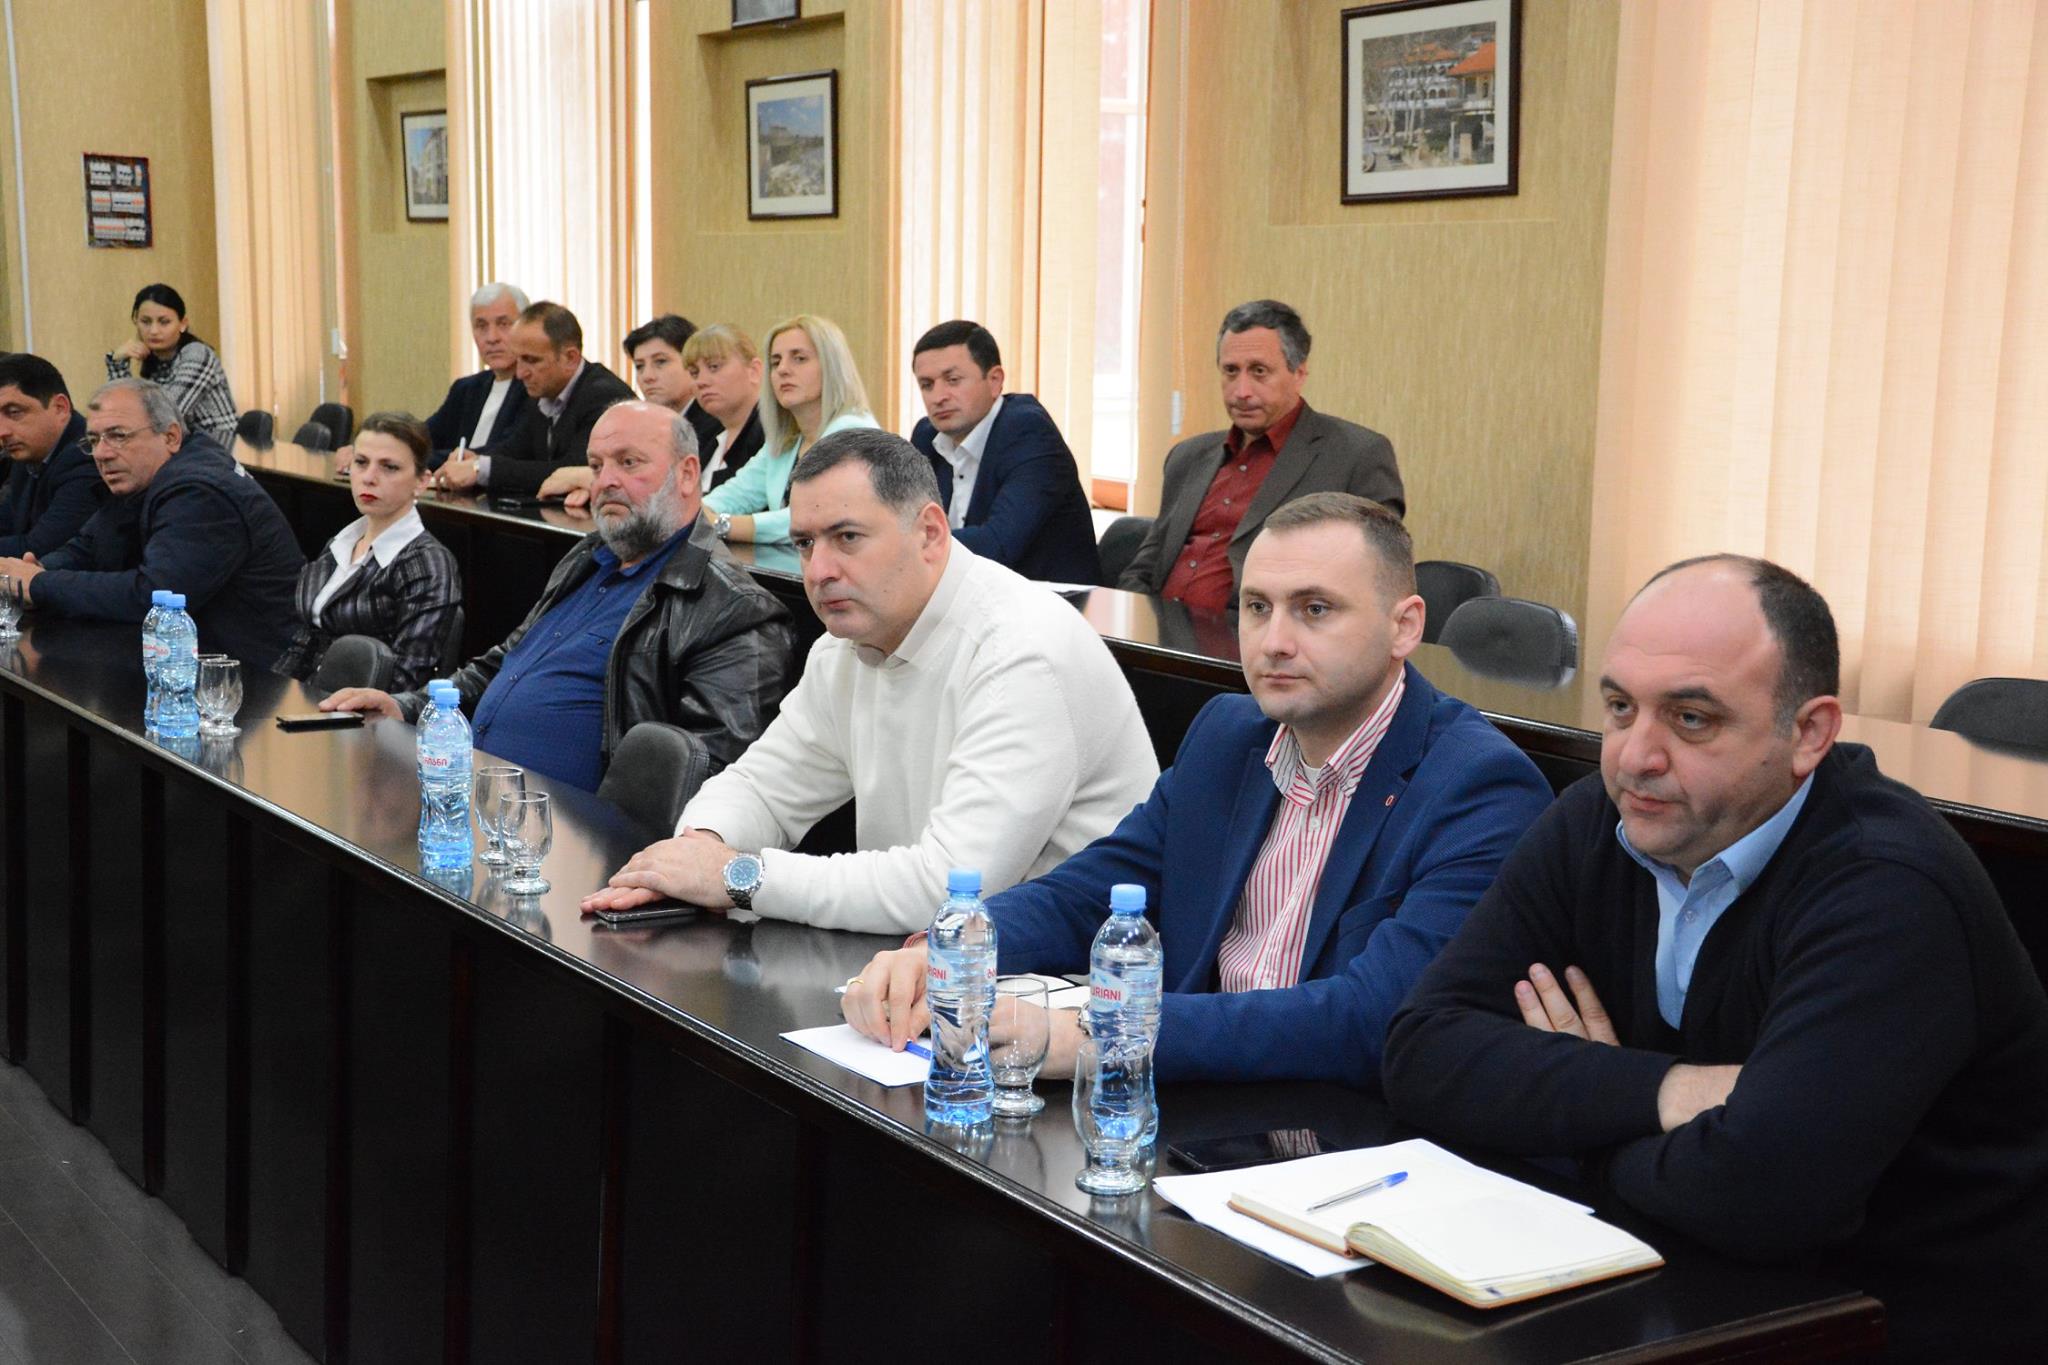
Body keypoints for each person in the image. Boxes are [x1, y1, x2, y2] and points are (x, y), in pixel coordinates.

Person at [1381, 556, 2048, 1362]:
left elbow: (1762, 1194)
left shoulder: (1890, 887)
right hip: (1666, 1284)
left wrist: (1570, 1116)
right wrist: (1666, 1089)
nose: (1635, 756)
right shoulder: (1601, 817)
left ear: (1809, 733)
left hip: (1883, 1323)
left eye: (1691, 719)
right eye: (1620, 707)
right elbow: (1420, 1052)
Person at [840, 493, 1551, 1084]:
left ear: (1405, 627)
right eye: (1257, 607)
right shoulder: (1228, 736)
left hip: (1344, 1137)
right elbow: (1090, 892)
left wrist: (1100, 1031)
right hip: (1197, 1105)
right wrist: (952, 947)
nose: (1274, 641)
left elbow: (1371, 1017)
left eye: (1315, 609)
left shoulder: (1479, 789)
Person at [582, 428, 1159, 933]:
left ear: (930, 533)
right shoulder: (845, 646)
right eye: (805, 543)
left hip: (1067, 984)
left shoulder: (1023, 652)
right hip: (918, 959)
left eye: (847, 538)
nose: (818, 570)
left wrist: (736, 876)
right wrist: (698, 850)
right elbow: (762, 788)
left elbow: (950, 887)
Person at [323, 402, 796, 794]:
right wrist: (407, 706)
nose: (605, 481)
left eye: (628, 463)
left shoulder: (732, 607)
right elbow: (500, 665)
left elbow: (712, 780)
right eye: (596, 466)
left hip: (578, 844)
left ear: (688, 474)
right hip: (469, 793)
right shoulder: (588, 557)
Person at [1119, 300, 1403, 613]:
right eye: (1231, 371)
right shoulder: (1187, 456)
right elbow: (1144, 568)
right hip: (1155, 633)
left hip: (1259, 636)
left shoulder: (1356, 455)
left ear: (1299, 373)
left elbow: (1370, 580)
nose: (1241, 391)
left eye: (1259, 371)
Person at [0, 379, 304, 668]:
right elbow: (88, 545)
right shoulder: (144, 475)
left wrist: (40, 584)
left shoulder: (200, 492)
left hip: (256, 671)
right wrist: (37, 571)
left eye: (118, 436)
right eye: (93, 440)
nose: (102, 453)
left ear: (170, 437)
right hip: (189, 655)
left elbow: (155, 595)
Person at [274, 412, 462, 692]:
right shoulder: (340, 543)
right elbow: (302, 645)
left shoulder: (427, 562)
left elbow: (407, 681)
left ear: (422, 481)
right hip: (309, 700)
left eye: (390, 467)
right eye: (361, 463)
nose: (369, 478)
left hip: (365, 714)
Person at [907, 320, 1099, 583]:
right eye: (927, 385)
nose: (938, 397)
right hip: (967, 594)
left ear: (995, 381)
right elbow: (906, 521)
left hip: (1048, 599)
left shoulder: (1028, 432)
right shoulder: (927, 436)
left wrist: (901, 545)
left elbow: (997, 545)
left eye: (953, 380)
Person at [702, 314, 877, 546]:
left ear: (831, 367)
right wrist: (699, 514)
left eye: (799, 359)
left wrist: (722, 525)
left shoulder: (854, 432)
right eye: (776, 362)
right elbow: (737, 494)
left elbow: (816, 517)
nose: (783, 370)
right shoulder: (788, 441)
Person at [432, 301, 635, 500]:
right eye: (518, 359)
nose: (520, 373)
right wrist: (475, 459)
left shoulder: (604, 396)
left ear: (570, 358)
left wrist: (482, 469)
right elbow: (515, 450)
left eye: (531, 360)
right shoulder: (543, 392)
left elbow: (571, 471)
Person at [104, 283, 238, 448]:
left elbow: (167, 414)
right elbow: (122, 409)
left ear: (183, 324)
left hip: (216, 450)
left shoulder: (197, 354)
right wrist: (118, 362)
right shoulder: (155, 359)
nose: (153, 330)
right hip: (179, 447)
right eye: (145, 322)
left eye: (164, 322)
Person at [0, 353, 106, 558]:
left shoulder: (87, 457)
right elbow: (7, 522)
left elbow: (37, 549)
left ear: (60, 408)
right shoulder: (28, 450)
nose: (2, 431)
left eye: (14, 412)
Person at [420, 282, 531, 469]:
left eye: (503, 324)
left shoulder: (535, 389)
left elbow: (507, 452)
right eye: (481, 326)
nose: (492, 338)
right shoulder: (466, 389)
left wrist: (457, 460)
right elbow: (420, 439)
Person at [681, 324, 766, 496]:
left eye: (714, 367)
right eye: (694, 373)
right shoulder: (703, 439)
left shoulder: (774, 434)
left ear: (754, 371)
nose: (701, 381)